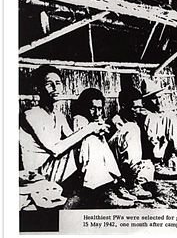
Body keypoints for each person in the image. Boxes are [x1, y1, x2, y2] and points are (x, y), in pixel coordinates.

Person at [19, 65, 118, 208]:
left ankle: (108, 186)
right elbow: (55, 150)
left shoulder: (59, 116)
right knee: (88, 136)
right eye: (49, 84)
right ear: (38, 89)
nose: (55, 87)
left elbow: (77, 141)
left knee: (91, 139)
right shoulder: (31, 114)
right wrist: (89, 129)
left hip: (56, 169)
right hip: (39, 175)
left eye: (58, 83)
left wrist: (98, 131)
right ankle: (99, 189)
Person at [72, 88, 139, 208]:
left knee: (132, 128)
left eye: (100, 108)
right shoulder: (79, 119)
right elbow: (82, 139)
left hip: (104, 158)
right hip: (84, 161)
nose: (97, 113)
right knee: (93, 139)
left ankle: (124, 183)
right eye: (93, 108)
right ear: (84, 107)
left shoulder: (99, 119)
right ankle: (105, 192)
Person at [107, 87, 155, 197]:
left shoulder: (136, 120)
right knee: (132, 128)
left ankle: (136, 183)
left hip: (130, 164)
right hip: (115, 163)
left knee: (148, 166)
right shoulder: (116, 121)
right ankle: (131, 184)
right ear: (123, 106)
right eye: (135, 108)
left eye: (140, 107)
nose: (138, 111)